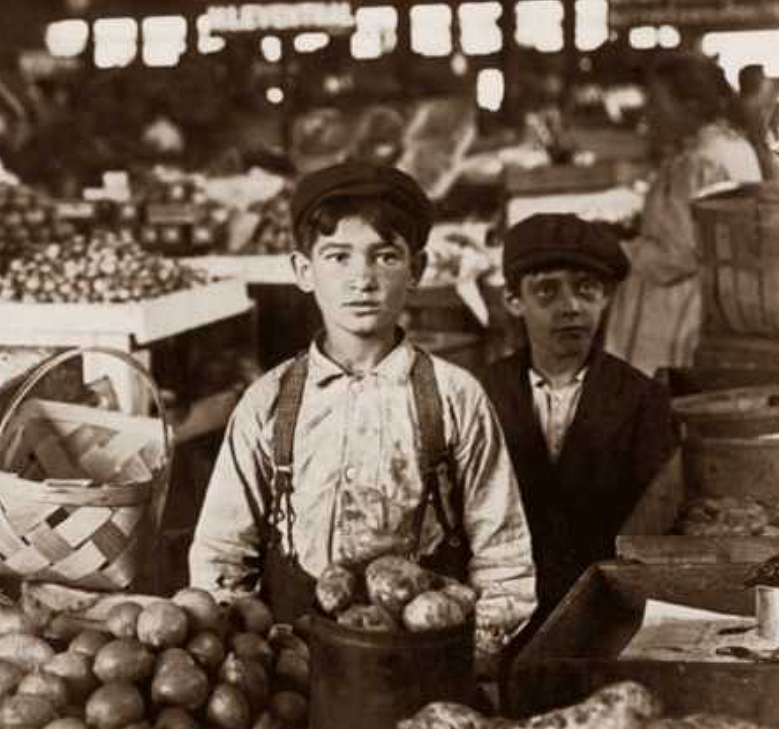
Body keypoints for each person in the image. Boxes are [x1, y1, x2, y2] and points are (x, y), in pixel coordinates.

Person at [188, 162, 536, 668]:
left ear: (416, 269)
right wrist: (242, 660)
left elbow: (504, 556)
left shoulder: (455, 397)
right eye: (337, 257)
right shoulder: (268, 401)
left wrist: (476, 657)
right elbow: (220, 556)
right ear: (303, 271)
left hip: (421, 663)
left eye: (385, 256)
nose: (362, 279)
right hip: (294, 667)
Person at [483, 214, 677, 621]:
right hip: (503, 611)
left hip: (609, 614)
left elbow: (656, 531)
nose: (570, 306)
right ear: (513, 301)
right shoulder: (479, 396)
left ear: (606, 298)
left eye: (586, 289)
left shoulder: (643, 401)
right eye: (547, 291)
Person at [604, 54, 762, 374]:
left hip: (674, 316)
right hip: (714, 308)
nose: (649, 114)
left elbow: (675, 257)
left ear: (689, 106)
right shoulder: (734, 148)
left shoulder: (698, 163)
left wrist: (612, 247)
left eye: (658, 103)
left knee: (656, 401)